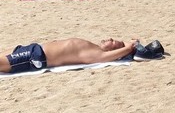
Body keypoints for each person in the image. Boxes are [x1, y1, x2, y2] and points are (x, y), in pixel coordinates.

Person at [1, 38, 139, 74]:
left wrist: (128, 47)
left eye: (113, 41)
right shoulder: (94, 47)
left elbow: (127, 48)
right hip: (33, 48)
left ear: (114, 51)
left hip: (35, 57)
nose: (109, 38)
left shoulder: (97, 54)